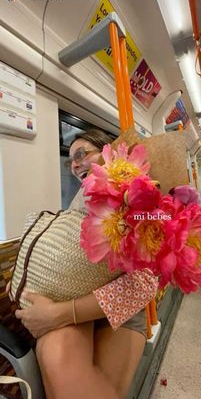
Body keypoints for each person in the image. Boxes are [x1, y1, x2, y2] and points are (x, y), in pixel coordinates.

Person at [14, 129, 159, 399]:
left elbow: (145, 283)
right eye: (71, 160)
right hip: (74, 295)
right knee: (58, 359)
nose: (75, 164)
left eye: (82, 154)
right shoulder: (75, 206)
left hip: (119, 307)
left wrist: (58, 314)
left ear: (109, 153)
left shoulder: (136, 197)